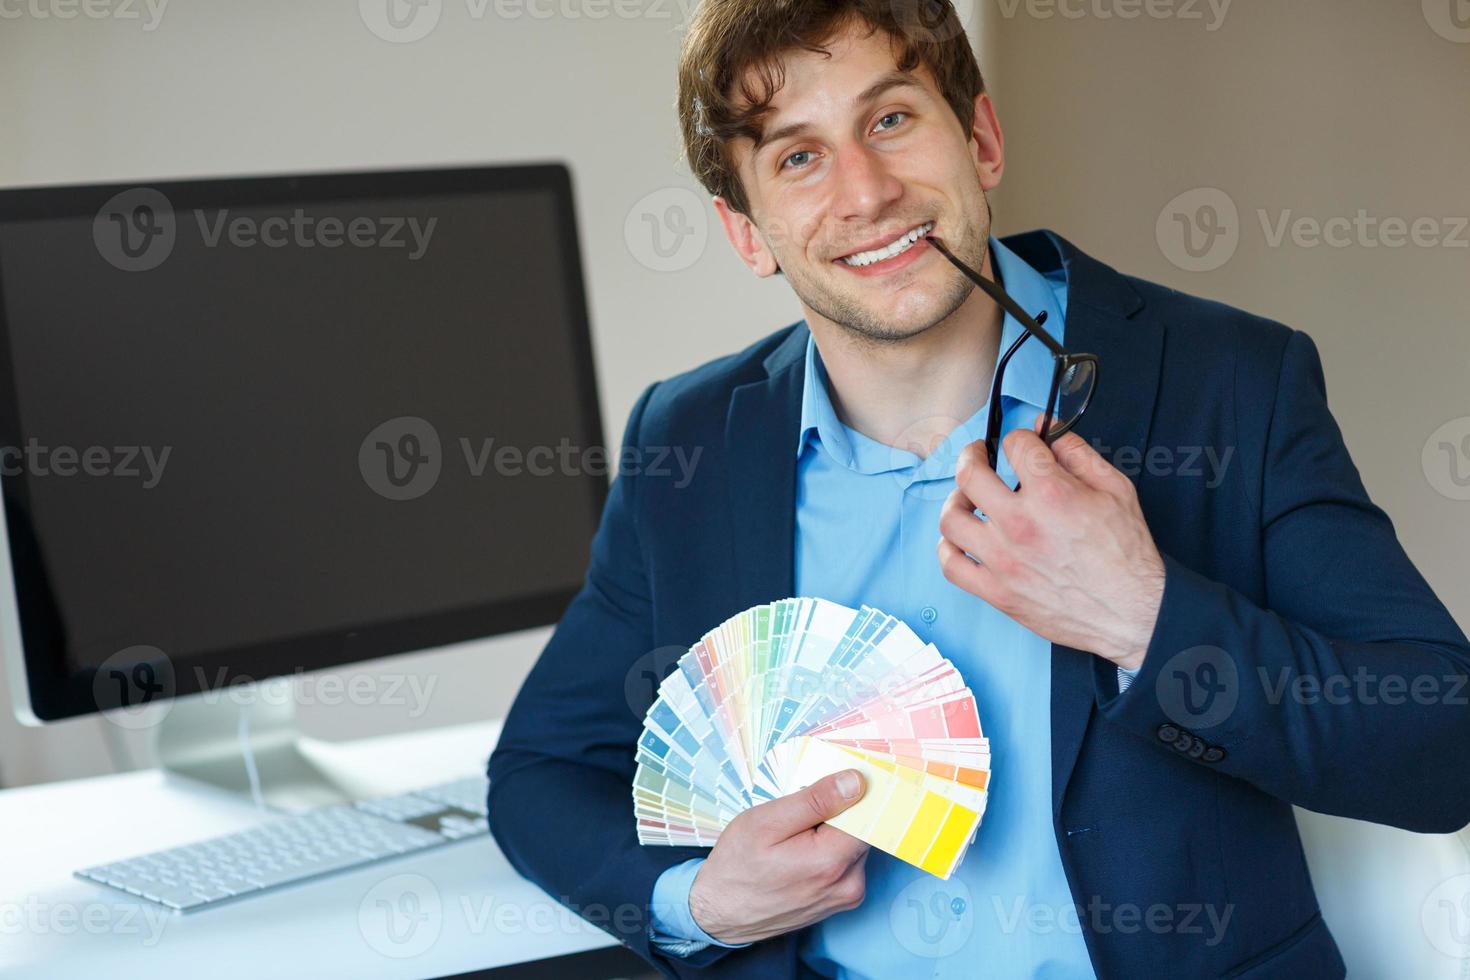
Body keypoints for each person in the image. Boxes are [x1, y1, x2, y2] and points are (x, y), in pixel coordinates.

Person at [487, 1, 1470, 976]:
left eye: (890, 119)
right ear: (747, 234)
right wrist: (699, 902)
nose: (866, 191)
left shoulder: (1229, 380)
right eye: (797, 156)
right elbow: (538, 772)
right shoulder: (687, 440)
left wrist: (1147, 616)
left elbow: (1442, 739)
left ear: (981, 138)